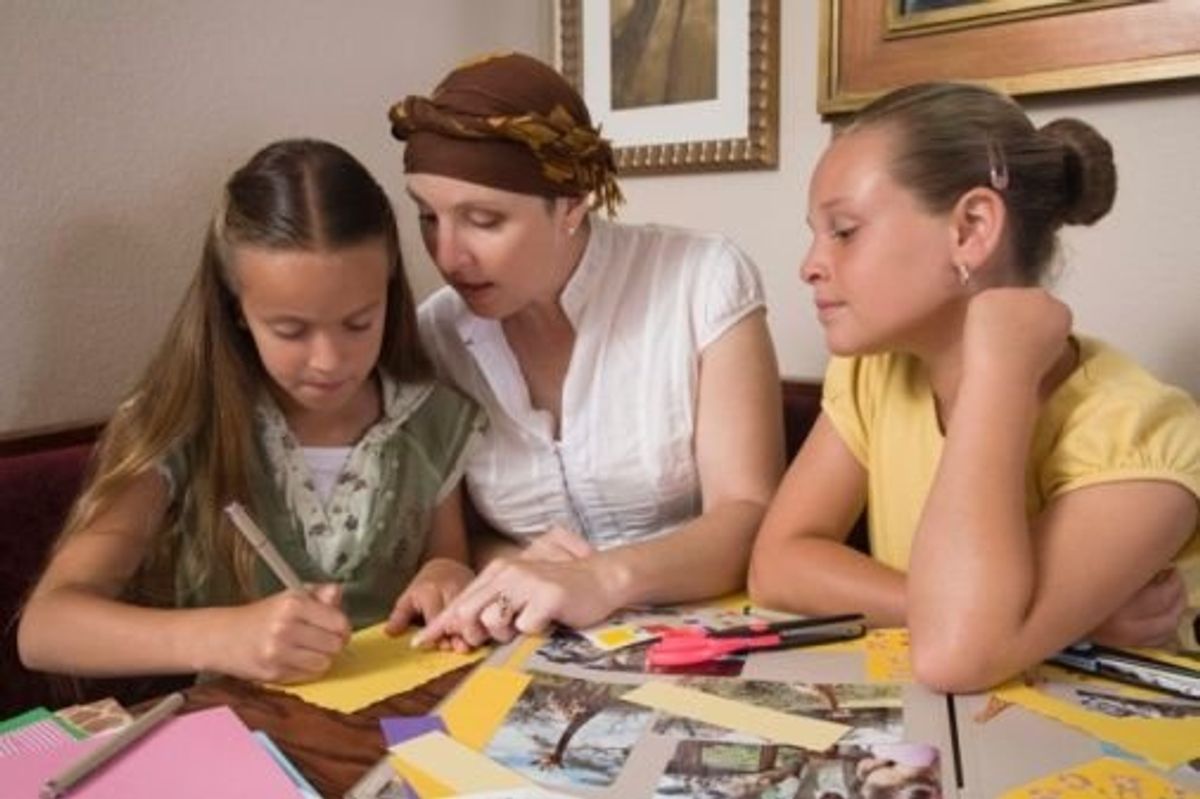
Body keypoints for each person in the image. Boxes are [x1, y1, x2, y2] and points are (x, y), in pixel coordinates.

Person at [748, 82, 1200, 692]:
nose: (810, 264)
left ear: (972, 228)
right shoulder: (875, 375)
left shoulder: (1144, 435)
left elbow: (953, 655)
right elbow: (777, 565)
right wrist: (1062, 623)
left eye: (844, 230)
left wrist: (1001, 373)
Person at [18, 139, 482, 683]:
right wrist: (223, 637)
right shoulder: (180, 423)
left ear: (390, 291)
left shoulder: (433, 417)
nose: (329, 360)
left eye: (359, 322)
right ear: (237, 310)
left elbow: (448, 562)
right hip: (241, 742)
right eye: (290, 330)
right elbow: (45, 629)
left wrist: (448, 573)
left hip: (407, 727)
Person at [387, 52, 784, 648]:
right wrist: (518, 568)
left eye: (484, 221)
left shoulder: (701, 280)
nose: (448, 257)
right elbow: (462, 534)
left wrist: (599, 577)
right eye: (427, 217)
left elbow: (749, 513)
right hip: (525, 647)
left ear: (572, 204)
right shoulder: (435, 334)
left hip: (703, 639)